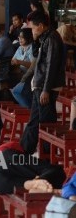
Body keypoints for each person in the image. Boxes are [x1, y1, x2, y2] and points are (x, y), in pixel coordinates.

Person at [20, 10, 66, 154]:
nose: (32, 30)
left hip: (46, 87)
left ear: (40, 26)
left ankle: (48, 154)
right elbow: (37, 58)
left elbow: (51, 66)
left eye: (33, 27)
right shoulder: (44, 37)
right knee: (35, 120)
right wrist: (34, 39)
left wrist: (46, 89)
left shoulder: (52, 38)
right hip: (40, 85)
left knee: (46, 123)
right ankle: (25, 149)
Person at [0, 141, 65, 195]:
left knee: (22, 184)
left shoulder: (7, 150)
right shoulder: (13, 147)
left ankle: (35, 184)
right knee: (56, 171)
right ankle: (36, 183)